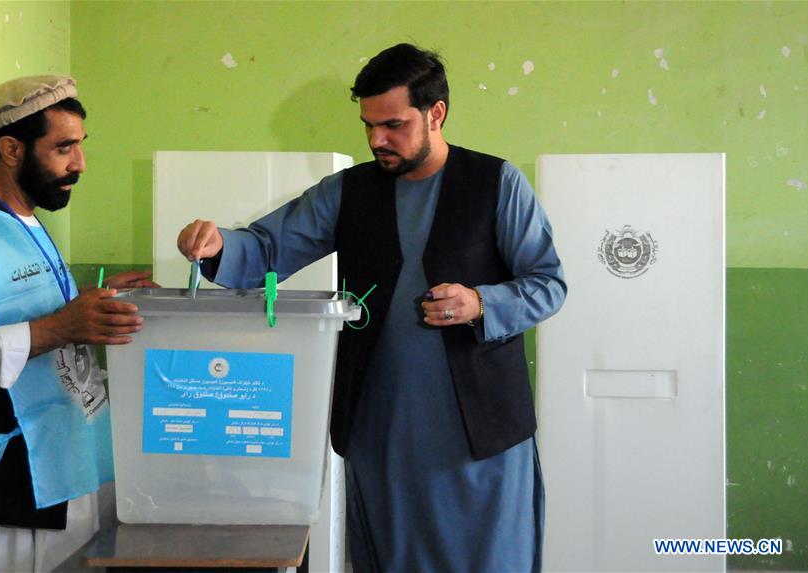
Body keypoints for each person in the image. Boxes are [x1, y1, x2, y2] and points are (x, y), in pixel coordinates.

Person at [177, 43, 566, 572]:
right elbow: (266, 249)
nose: (377, 139)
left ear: (436, 114)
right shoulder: (347, 192)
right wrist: (217, 245)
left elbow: (548, 283)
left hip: (482, 434)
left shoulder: (498, 184)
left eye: (393, 125)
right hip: (380, 432)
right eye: (368, 125)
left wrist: (481, 302)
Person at [0, 75, 157, 572]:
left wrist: (90, 302)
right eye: (63, 148)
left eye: (80, 146)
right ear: (11, 149)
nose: (79, 164)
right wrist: (62, 327)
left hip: (51, 476)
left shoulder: (23, 223)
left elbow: (18, 310)